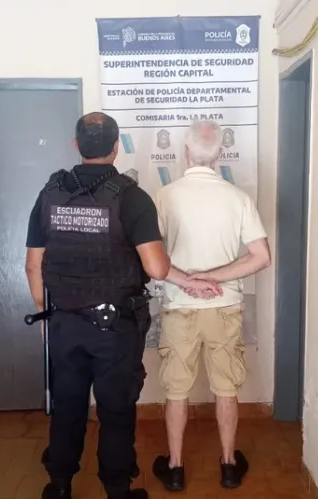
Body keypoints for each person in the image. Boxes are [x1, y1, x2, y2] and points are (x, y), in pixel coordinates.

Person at [24, 112, 215, 499]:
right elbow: (156, 268)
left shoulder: (50, 194)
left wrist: (47, 314)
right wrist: (187, 278)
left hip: (64, 323)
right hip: (114, 328)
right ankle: (116, 489)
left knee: (68, 403)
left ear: (76, 145)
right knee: (115, 408)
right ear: (115, 147)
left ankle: (58, 485)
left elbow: (32, 265)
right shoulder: (131, 197)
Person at [150, 120, 271, 491]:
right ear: (220, 153)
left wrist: (191, 280)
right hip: (225, 306)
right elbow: (261, 257)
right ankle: (229, 465)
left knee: (175, 391)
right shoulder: (238, 198)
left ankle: (174, 468)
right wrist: (214, 278)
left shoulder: (164, 196)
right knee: (226, 389)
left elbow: (149, 258)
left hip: (179, 306)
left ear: (185, 151)